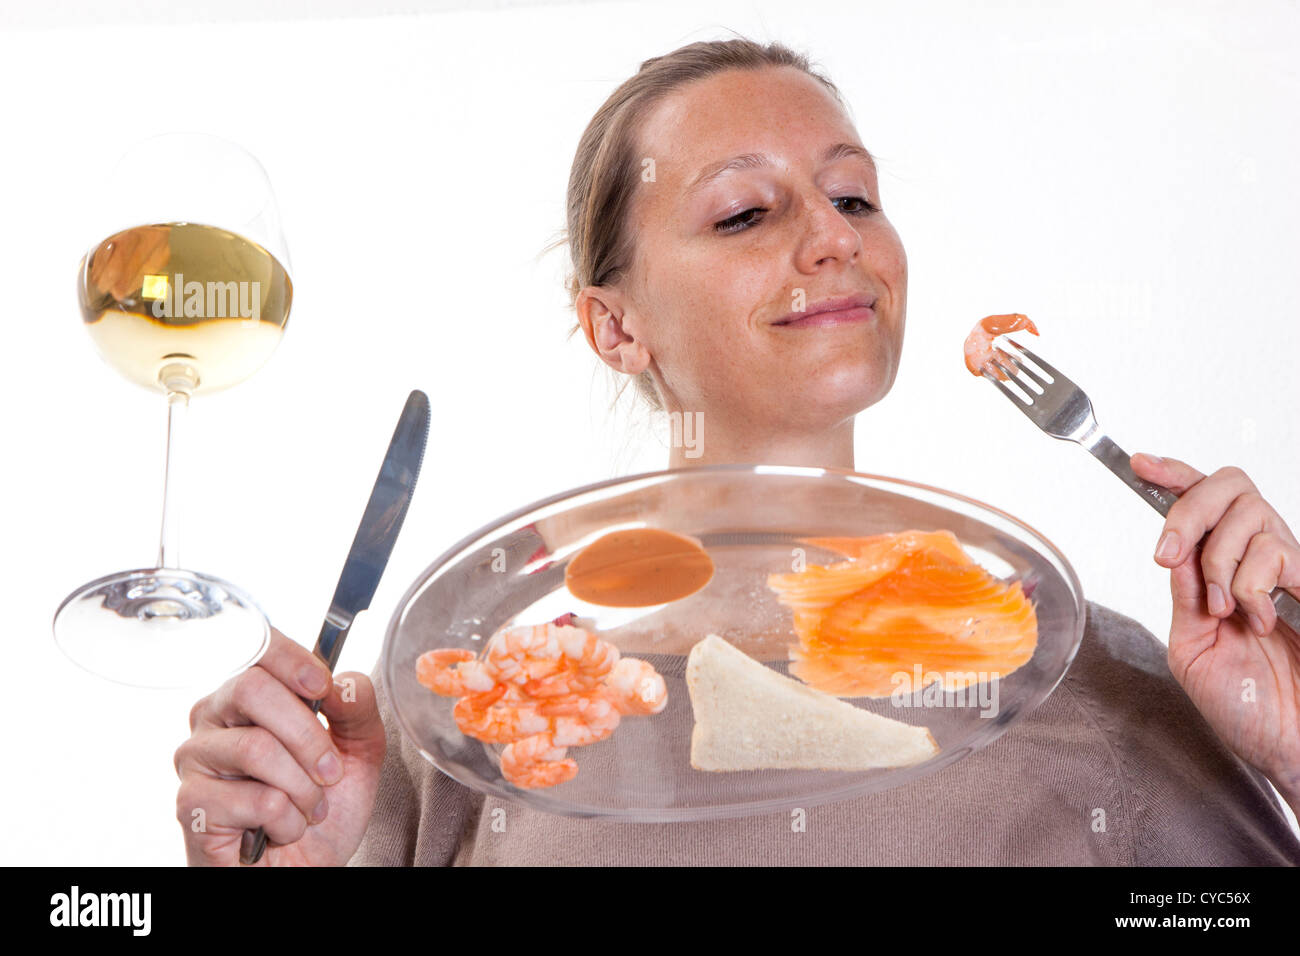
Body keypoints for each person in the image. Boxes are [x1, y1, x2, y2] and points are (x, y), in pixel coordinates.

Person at [175, 37, 1300, 866]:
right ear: (615, 326)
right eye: (742, 213)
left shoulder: (1085, 678)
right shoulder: (472, 735)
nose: (833, 236)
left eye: (853, 194)